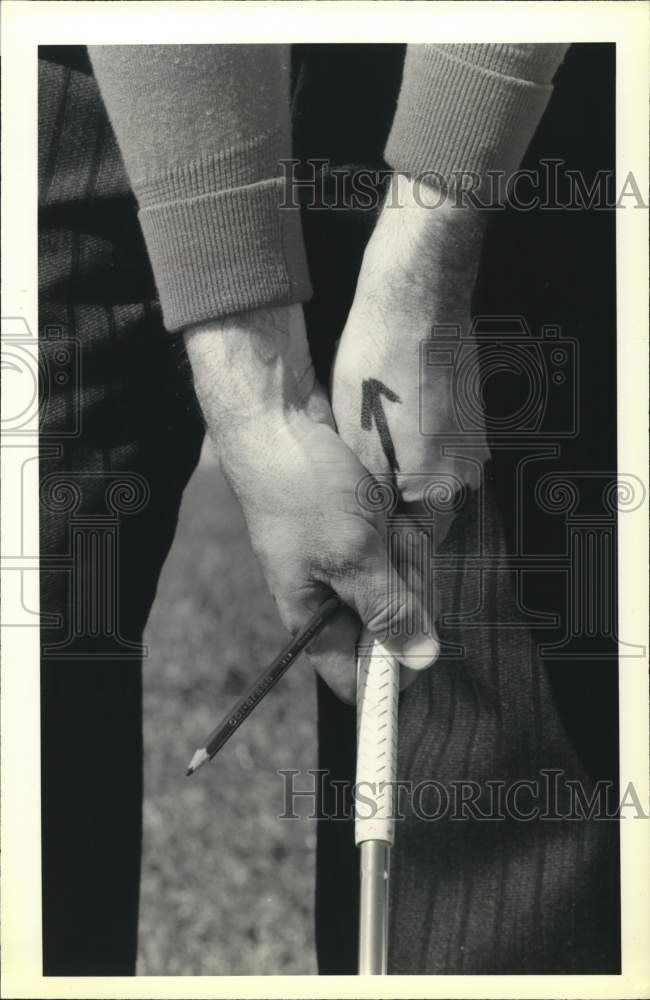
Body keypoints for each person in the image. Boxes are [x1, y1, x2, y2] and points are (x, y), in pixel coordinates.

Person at [39, 42, 619, 974]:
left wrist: (430, 252)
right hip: (100, 67)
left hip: (493, 80)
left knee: (503, 738)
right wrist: (256, 388)